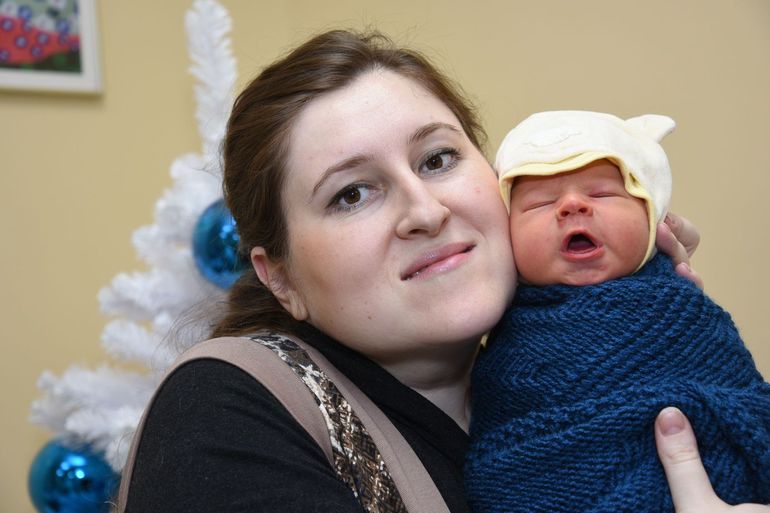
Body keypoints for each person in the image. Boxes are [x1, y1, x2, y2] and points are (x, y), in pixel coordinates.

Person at [115, 31, 766, 513]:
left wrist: (642, 323)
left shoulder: (556, 377)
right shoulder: (223, 409)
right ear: (279, 277)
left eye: (437, 159)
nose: (425, 211)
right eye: (351, 194)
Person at [465, 111, 770, 513]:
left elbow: (747, 401)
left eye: (602, 194)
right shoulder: (501, 333)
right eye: (540, 203)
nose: (572, 205)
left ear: (655, 220)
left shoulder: (683, 313)